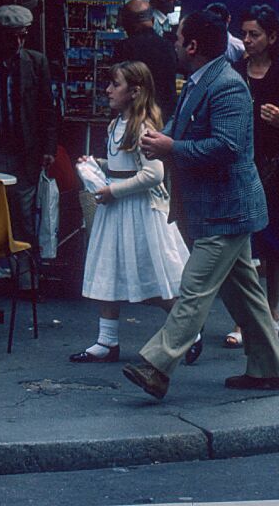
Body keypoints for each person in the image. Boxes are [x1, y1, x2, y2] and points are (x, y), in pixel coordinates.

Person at [122, 10, 279, 400]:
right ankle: (270, 368)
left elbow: (227, 147)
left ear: (193, 46)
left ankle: (156, 366)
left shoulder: (226, 85)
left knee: (193, 290)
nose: (175, 44)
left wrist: (170, 147)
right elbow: (187, 131)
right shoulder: (201, 81)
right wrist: (161, 139)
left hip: (226, 209)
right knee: (244, 292)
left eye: (179, 38)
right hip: (215, 207)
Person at [69, 61, 196, 365]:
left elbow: (153, 174)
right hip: (116, 211)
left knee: (153, 277)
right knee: (108, 271)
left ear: (134, 91)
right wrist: (98, 165)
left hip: (138, 212)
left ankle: (189, 332)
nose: (108, 90)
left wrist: (114, 190)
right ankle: (106, 341)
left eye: (115, 84)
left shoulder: (143, 127)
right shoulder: (117, 125)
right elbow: (123, 165)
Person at [226, 6, 279, 348]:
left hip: (274, 171)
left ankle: (272, 311)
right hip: (239, 168)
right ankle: (244, 318)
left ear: (272, 37)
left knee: (275, 247)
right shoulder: (234, 72)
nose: (247, 40)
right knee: (240, 249)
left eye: (254, 34)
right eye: (244, 34)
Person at [0, 4, 60, 251]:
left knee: (25, 213)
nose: (18, 41)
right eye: (12, 36)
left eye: (22, 35)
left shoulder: (36, 62)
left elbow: (47, 108)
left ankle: (25, 275)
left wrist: (49, 147)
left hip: (25, 150)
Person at [115, 0, 179, 112]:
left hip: (134, 115)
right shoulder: (168, 46)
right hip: (163, 115)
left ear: (127, 23)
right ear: (153, 20)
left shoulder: (124, 48)